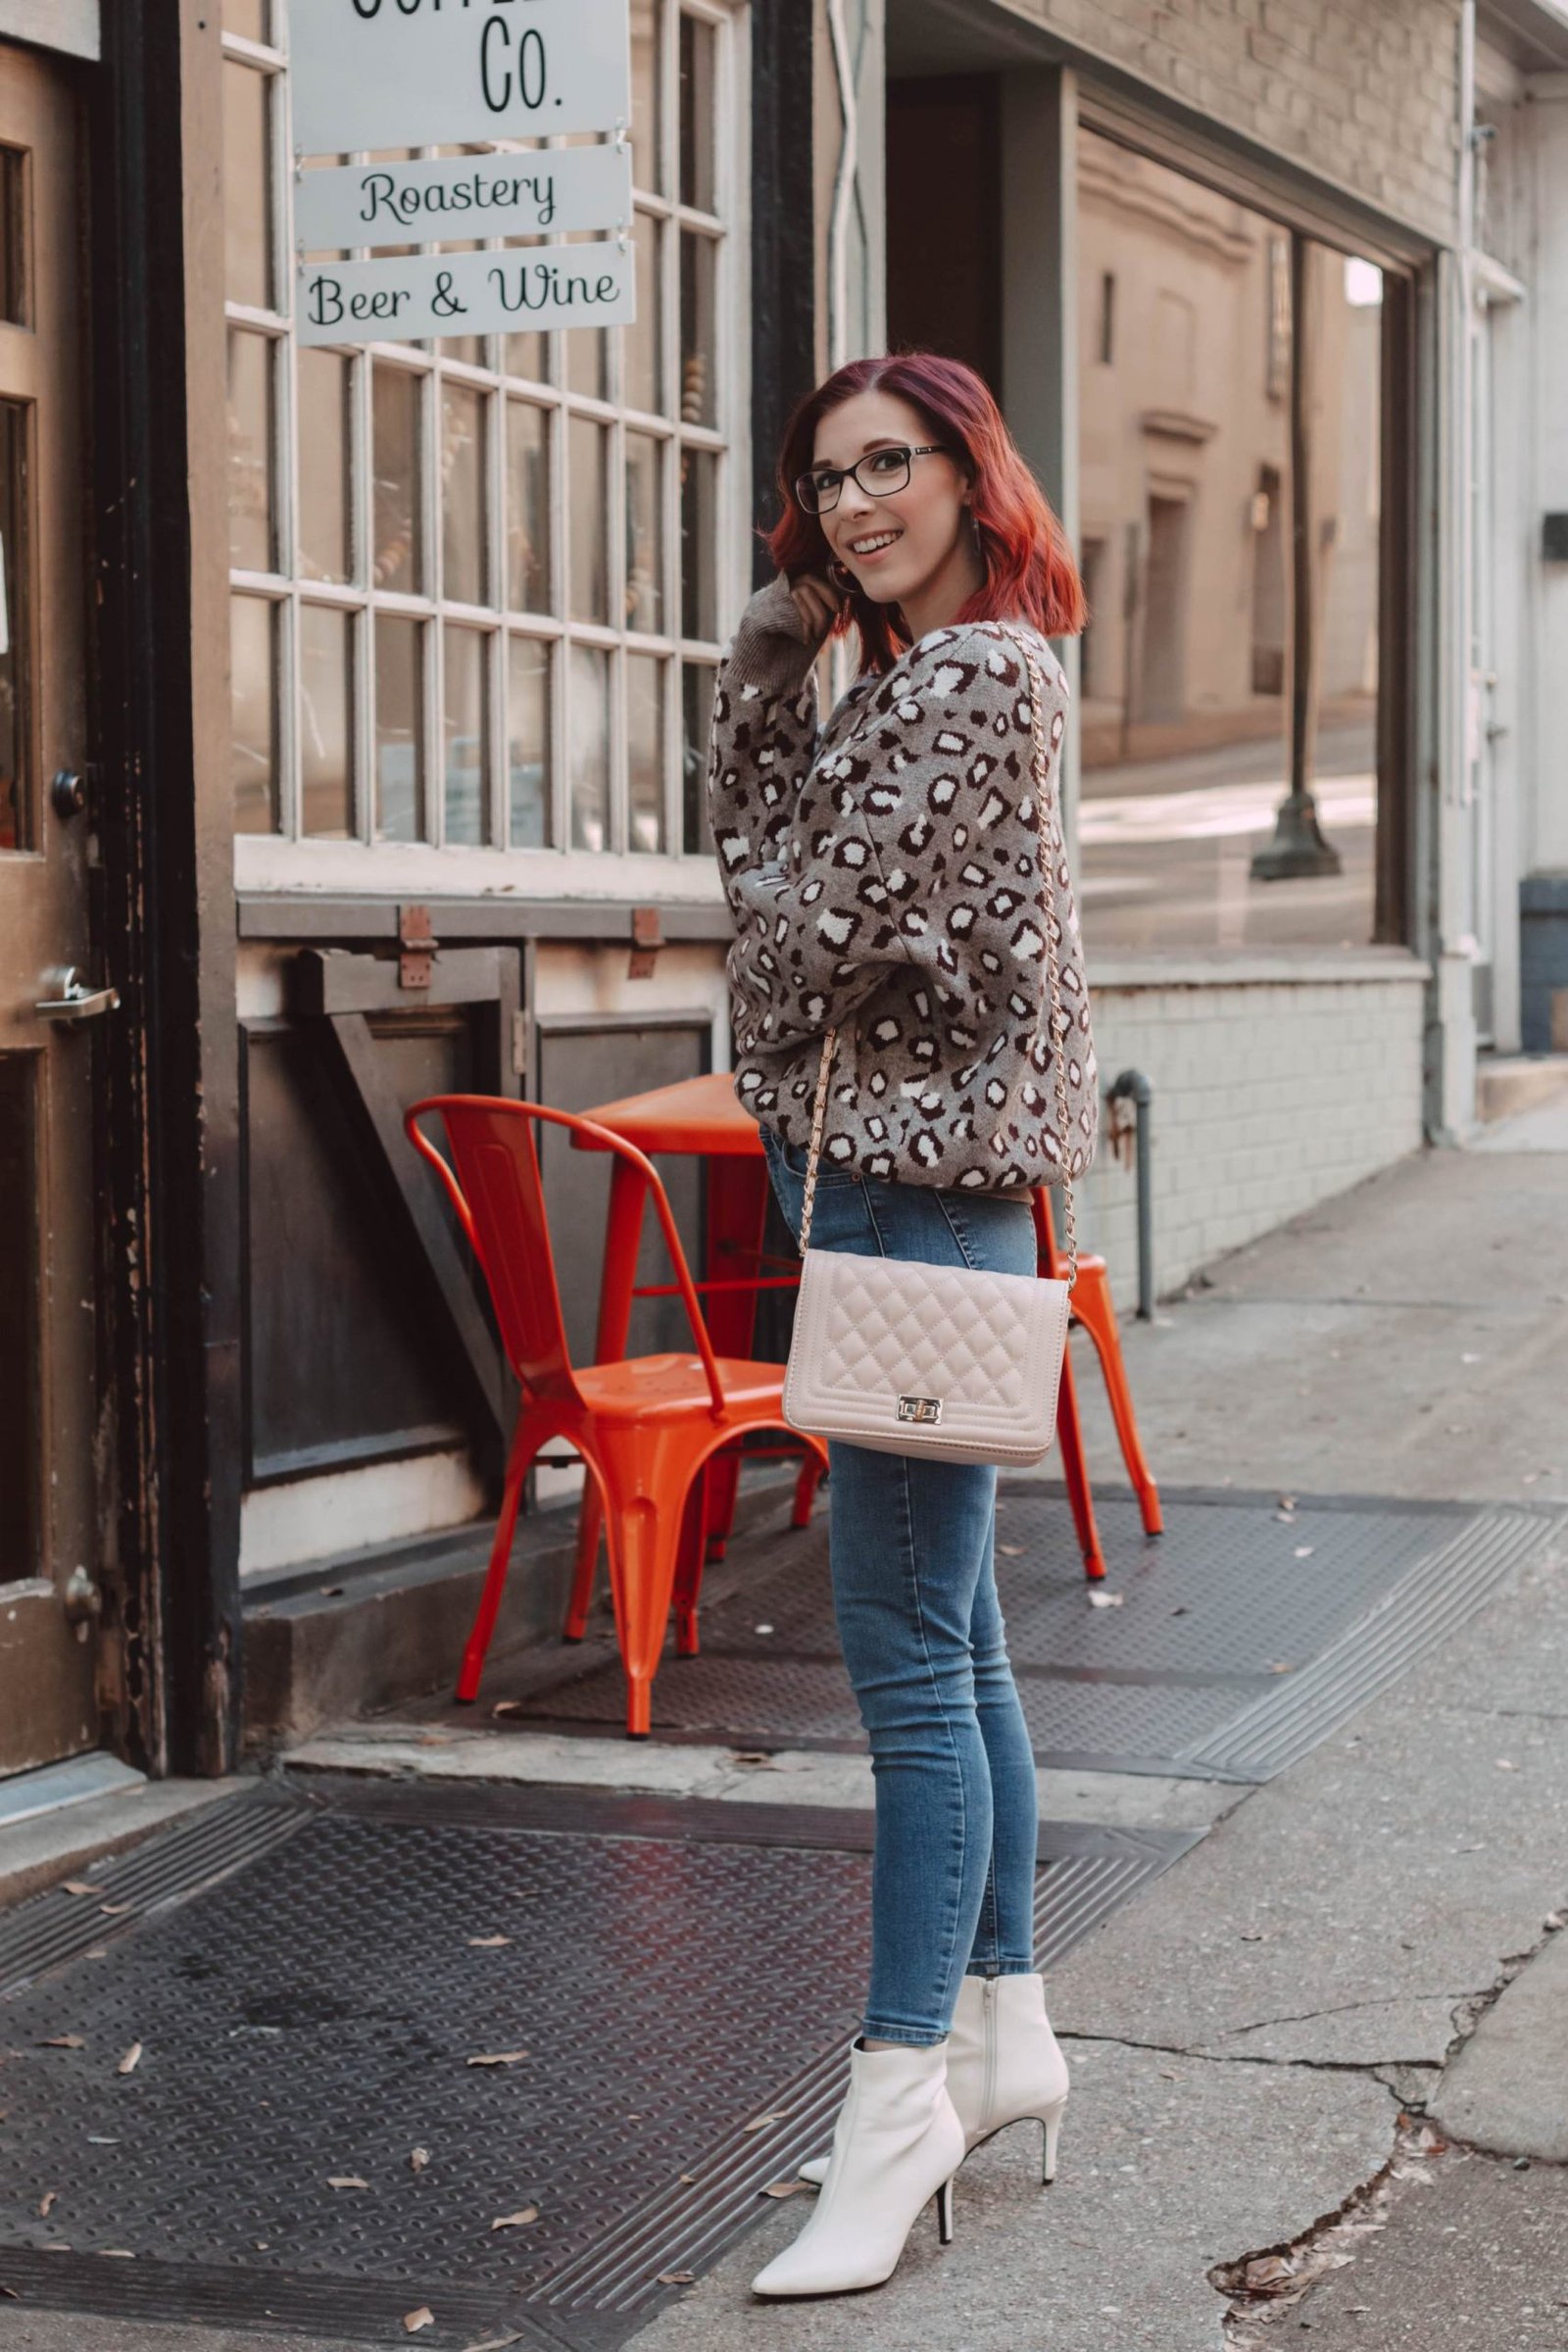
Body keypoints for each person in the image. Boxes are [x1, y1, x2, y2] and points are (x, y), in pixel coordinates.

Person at [706, 351, 1099, 2300]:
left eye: (892, 464)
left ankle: (892, 2110)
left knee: (903, 1676)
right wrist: (780, 690)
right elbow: (797, 921)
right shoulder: (950, 672)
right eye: (826, 476)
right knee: (956, 1641)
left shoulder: (965, 679)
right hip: (914, 1203)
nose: (856, 503)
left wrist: (760, 740)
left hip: (904, 1211)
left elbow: (785, 936)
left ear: (967, 473)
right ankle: (1005, 2033)